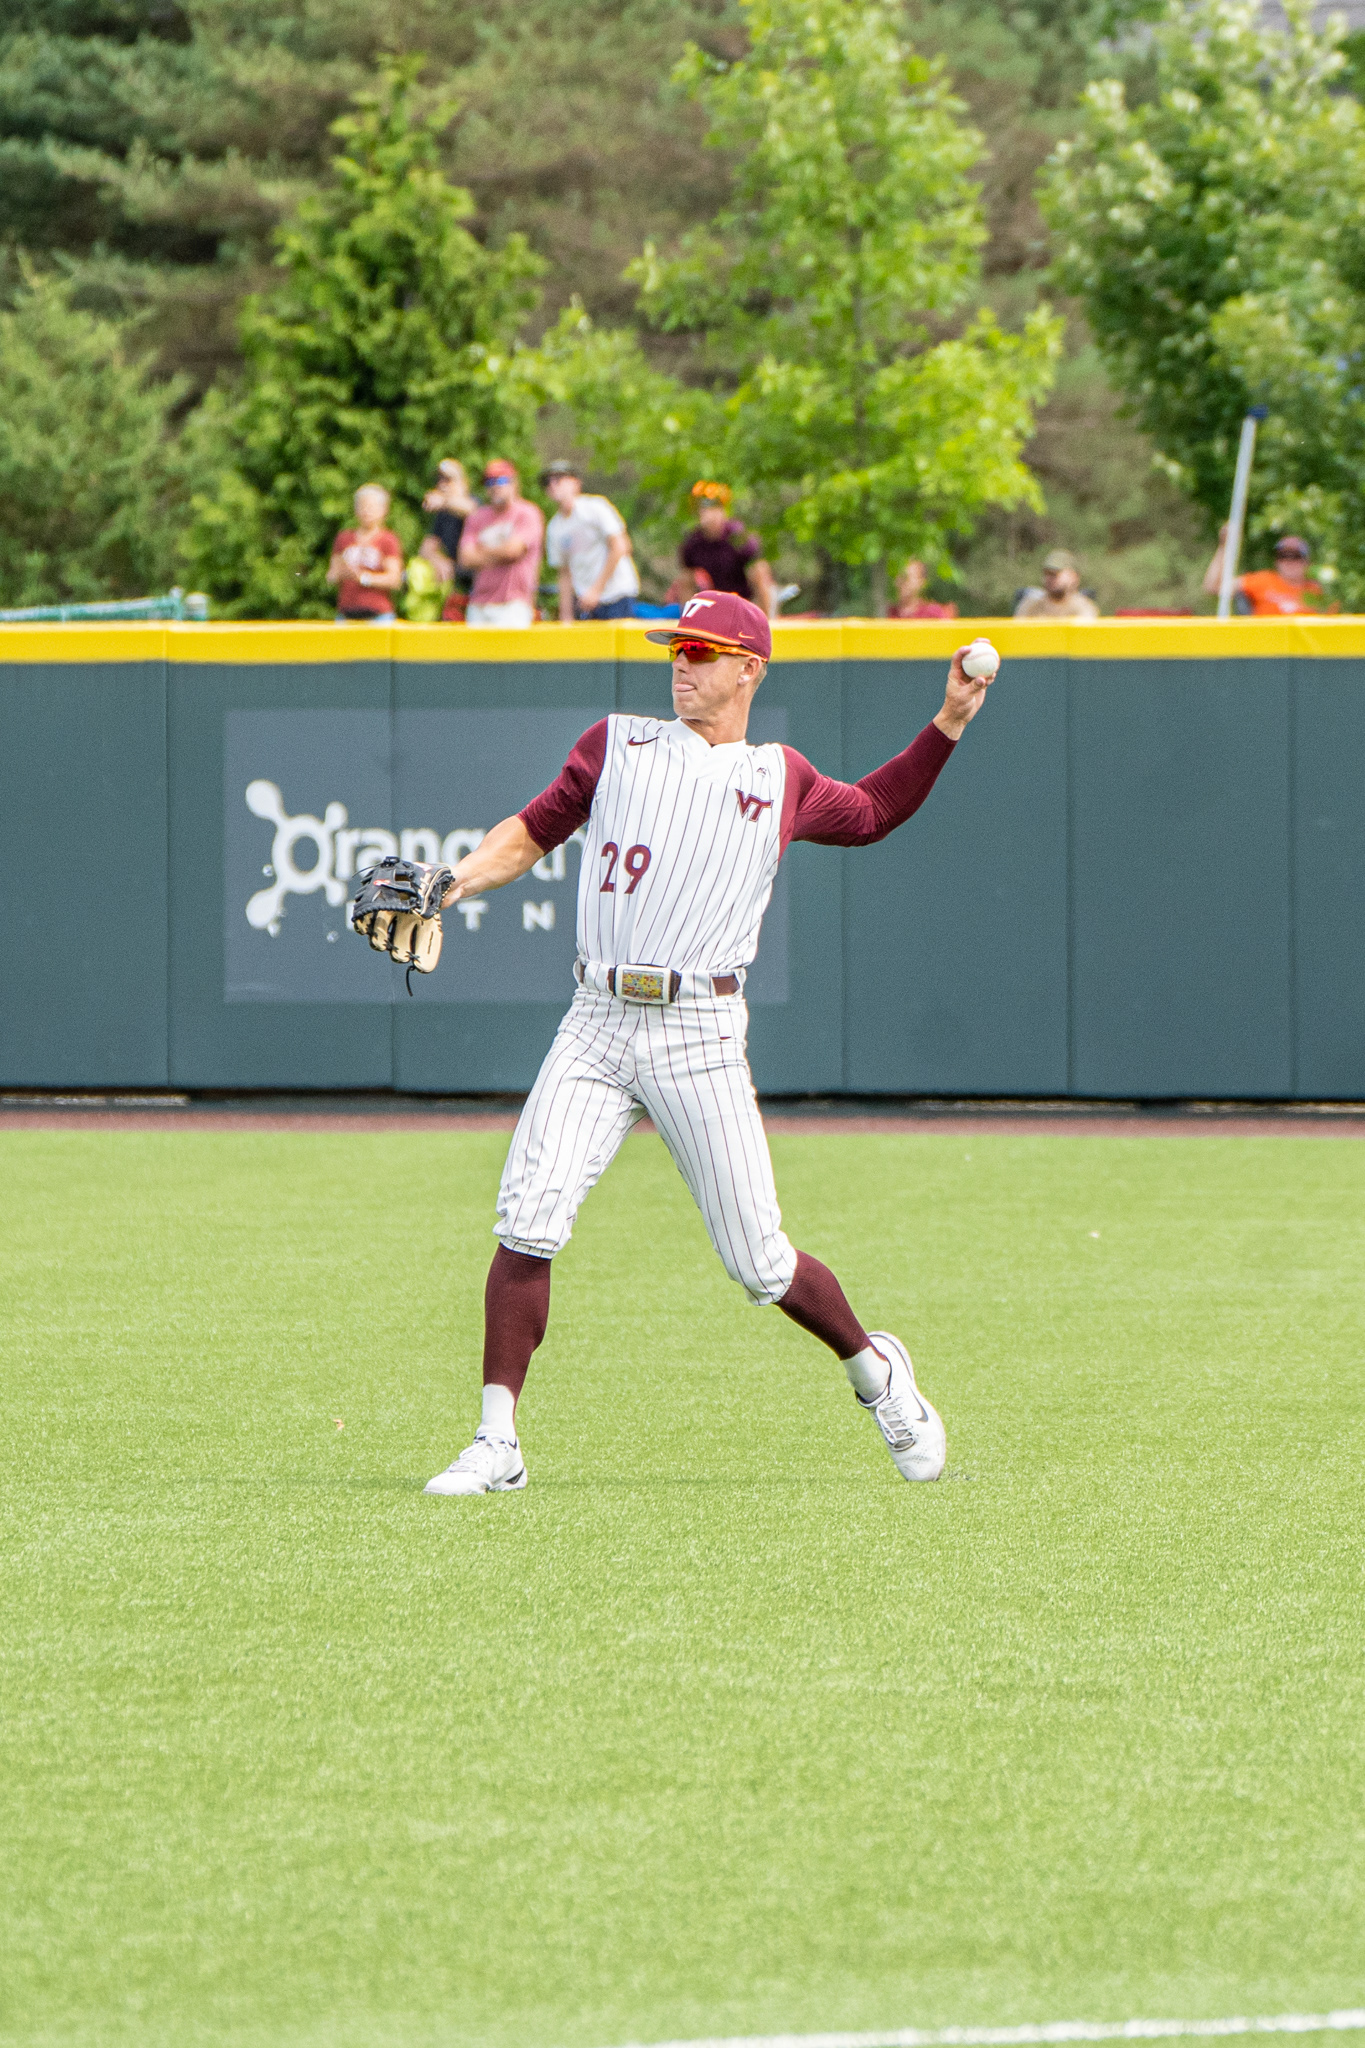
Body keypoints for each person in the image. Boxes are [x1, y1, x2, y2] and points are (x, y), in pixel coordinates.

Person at [422, 589, 997, 1499]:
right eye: (675, 648)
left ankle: (876, 1372)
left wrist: (947, 723)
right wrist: (450, 883)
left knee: (759, 1261)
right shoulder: (617, 743)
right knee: (526, 1222)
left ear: (748, 668)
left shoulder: (780, 776)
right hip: (597, 1021)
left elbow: (874, 811)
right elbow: (531, 831)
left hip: (697, 1031)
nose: (682, 664)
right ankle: (498, 1441)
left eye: (701, 650)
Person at [542, 460, 641, 621]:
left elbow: (621, 546)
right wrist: (565, 616)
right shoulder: (555, 527)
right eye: (547, 482)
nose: (553, 485)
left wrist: (596, 590)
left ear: (575, 482)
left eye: (559, 479)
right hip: (586, 602)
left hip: (617, 594)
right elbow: (564, 573)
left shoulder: (595, 507)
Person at [458, 460, 544, 628]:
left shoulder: (527, 513)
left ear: (514, 483)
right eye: (489, 482)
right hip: (478, 603)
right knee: (476, 654)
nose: (495, 486)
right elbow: (466, 558)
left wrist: (481, 551)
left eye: (501, 481)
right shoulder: (477, 517)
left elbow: (513, 551)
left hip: (513, 604)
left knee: (511, 654)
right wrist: (502, 552)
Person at [677, 481, 778, 618]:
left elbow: (761, 574)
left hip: (745, 602)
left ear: (722, 511)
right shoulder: (693, 543)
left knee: (759, 570)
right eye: (704, 510)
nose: (709, 515)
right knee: (685, 579)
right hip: (715, 603)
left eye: (714, 509)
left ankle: (767, 621)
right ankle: (689, 621)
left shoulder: (739, 538)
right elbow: (687, 579)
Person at [1201, 529, 1329, 615]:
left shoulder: (1317, 592)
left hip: (1305, 652)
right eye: (1283, 556)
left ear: (1306, 562)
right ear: (1276, 561)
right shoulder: (1262, 580)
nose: (1289, 562)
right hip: (1267, 651)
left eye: (1295, 556)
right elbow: (1213, 587)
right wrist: (1225, 546)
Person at [326, 485, 404, 622]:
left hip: (378, 614)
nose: (366, 511)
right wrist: (342, 572)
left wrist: (364, 578)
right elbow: (332, 575)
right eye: (362, 506)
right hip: (347, 612)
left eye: (371, 507)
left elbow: (394, 579)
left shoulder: (388, 540)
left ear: (383, 510)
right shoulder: (344, 538)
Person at [1013, 549, 1099, 620]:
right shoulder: (1030, 606)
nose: (1050, 578)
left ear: (1074, 577)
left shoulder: (1083, 608)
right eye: (1047, 574)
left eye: (1055, 574)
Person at [887, 558, 958, 619]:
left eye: (907, 578)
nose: (902, 582)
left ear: (921, 582)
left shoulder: (933, 614)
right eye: (900, 577)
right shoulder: (888, 612)